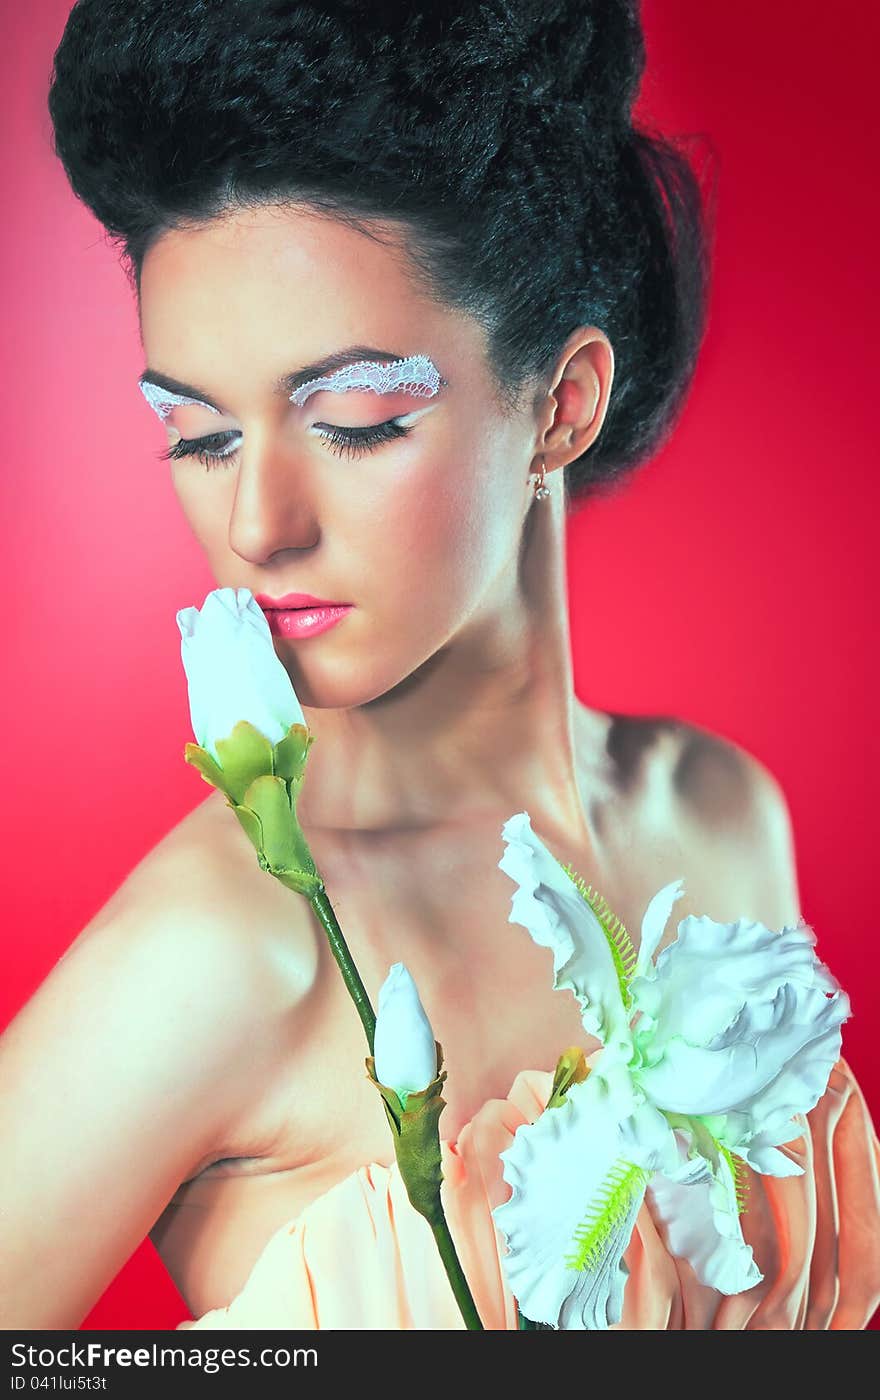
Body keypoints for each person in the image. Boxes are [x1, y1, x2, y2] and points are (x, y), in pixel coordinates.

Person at [2, 0, 877, 1331]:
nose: (258, 526)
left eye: (354, 424)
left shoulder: (723, 814)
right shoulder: (232, 953)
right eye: (198, 438)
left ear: (562, 404)